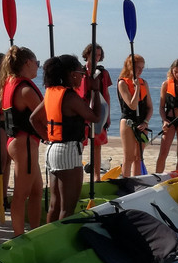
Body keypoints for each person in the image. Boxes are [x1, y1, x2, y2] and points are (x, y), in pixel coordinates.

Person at [32, 55, 98, 222]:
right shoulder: (70, 96)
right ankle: (59, 238)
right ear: (71, 74)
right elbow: (95, 116)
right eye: (80, 72)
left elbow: (33, 118)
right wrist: (96, 90)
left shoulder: (51, 92)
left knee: (55, 204)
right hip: (68, 151)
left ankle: (48, 236)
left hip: (53, 149)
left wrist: (47, 137)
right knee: (68, 207)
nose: (83, 75)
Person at [1, 46, 43, 236]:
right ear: (28, 63)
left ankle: (34, 230)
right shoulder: (25, 89)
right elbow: (45, 116)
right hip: (23, 144)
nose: (37, 67)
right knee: (21, 194)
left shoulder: (9, 82)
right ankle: (18, 235)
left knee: (36, 191)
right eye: (37, 63)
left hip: (17, 141)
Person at [78, 43, 111, 181]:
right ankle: (78, 175)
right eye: (94, 55)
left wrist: (107, 116)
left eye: (98, 55)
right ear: (87, 55)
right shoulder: (79, 72)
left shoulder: (103, 73)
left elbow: (107, 94)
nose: (96, 58)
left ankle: (96, 176)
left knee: (97, 145)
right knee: (81, 145)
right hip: (83, 113)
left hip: (99, 111)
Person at [116, 54, 151, 177]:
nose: (140, 71)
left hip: (142, 123)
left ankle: (137, 181)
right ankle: (126, 181)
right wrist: (136, 89)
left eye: (142, 68)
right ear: (130, 66)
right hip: (128, 122)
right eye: (138, 68)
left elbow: (150, 107)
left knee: (138, 157)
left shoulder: (144, 83)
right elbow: (132, 105)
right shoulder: (122, 83)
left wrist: (145, 121)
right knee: (129, 157)